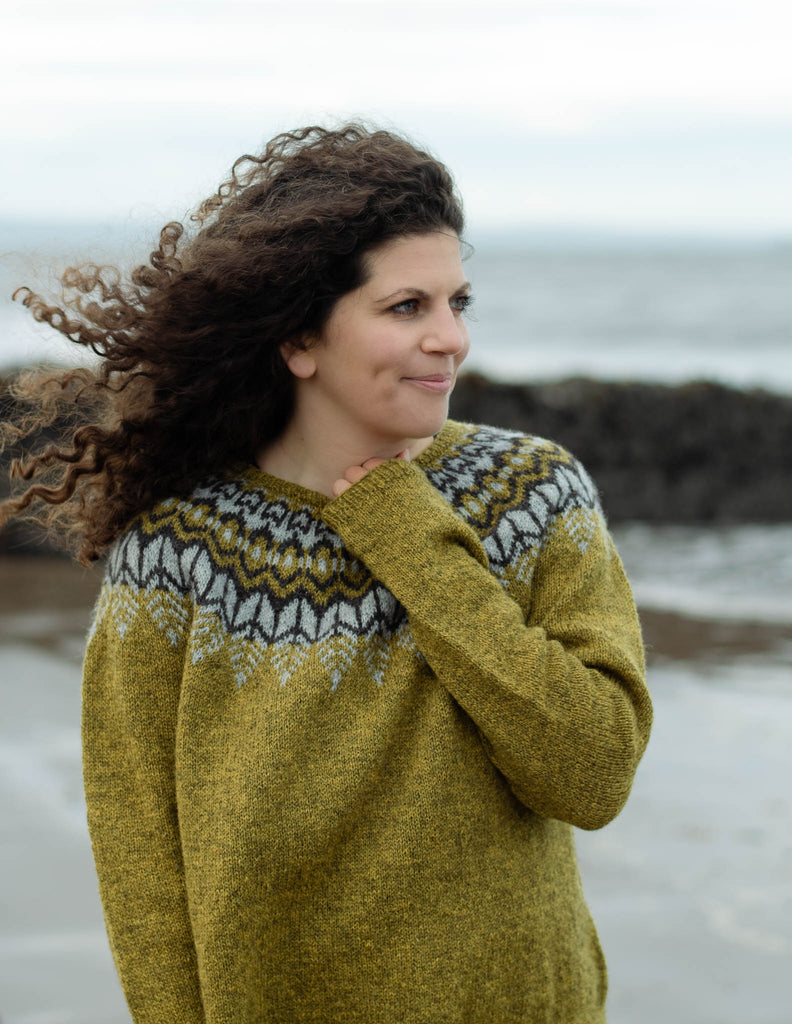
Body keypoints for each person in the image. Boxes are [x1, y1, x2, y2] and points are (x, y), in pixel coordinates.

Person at [0, 124, 652, 1023]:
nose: (451, 339)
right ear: (300, 339)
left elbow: (592, 771)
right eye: (407, 307)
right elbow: (143, 863)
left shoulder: (534, 494)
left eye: (460, 302)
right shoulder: (177, 553)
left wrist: (415, 540)